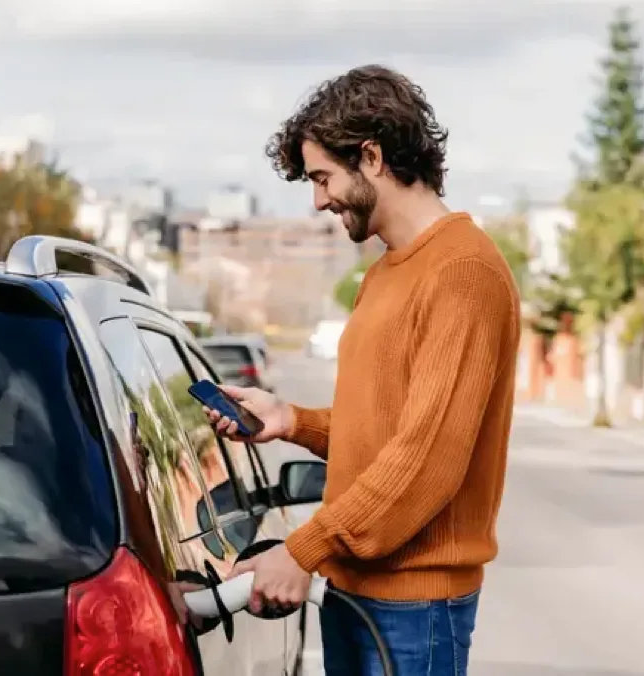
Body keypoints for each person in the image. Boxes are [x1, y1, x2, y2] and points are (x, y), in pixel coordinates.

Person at [203, 64, 520, 675]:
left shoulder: (462, 273)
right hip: (354, 591)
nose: (318, 199)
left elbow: (425, 462)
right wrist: (289, 419)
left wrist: (304, 550)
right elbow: (387, 430)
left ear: (371, 156)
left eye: (323, 177)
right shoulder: (383, 273)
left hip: (414, 609)